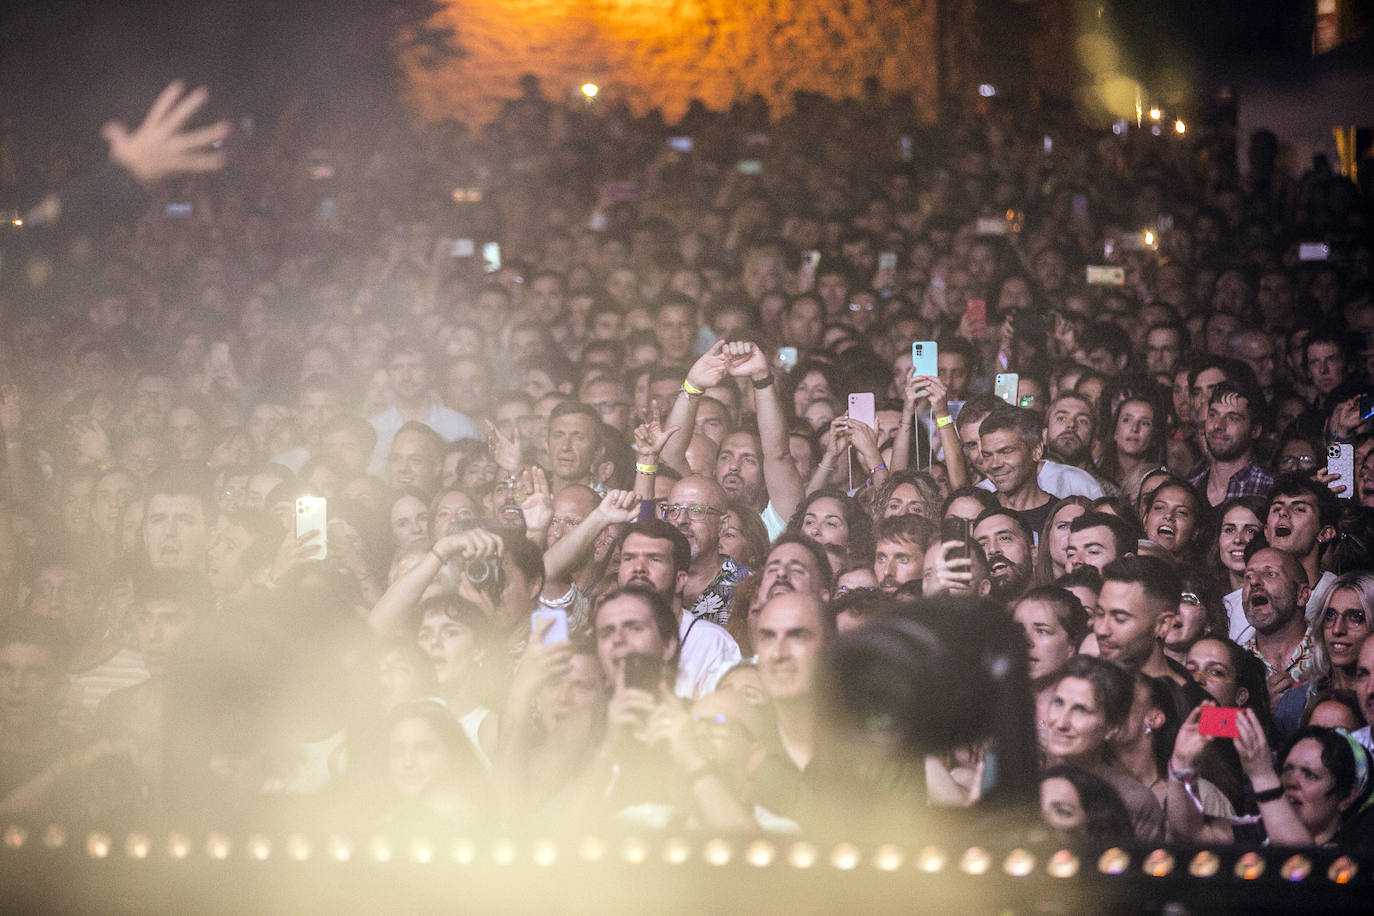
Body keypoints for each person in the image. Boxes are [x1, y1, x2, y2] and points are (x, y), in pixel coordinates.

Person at [1040, 655, 1165, 843]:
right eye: (1058, 703)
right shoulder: (1022, 776)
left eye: (1081, 710)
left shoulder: (1133, 801)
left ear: (1112, 727)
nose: (1061, 722)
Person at [367, 338, 481, 476]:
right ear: (389, 375)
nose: (406, 376)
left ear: (431, 374)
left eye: (415, 366)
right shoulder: (373, 429)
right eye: (397, 368)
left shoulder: (462, 427)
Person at [1187, 379, 1274, 507]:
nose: (1218, 425)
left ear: (1255, 430)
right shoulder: (1190, 486)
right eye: (1212, 415)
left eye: (1232, 418)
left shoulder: (1269, 490)